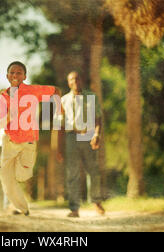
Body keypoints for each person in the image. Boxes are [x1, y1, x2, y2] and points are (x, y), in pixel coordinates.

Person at [0, 61, 61, 216]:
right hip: (10, 142)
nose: (15, 75)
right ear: (7, 76)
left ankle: (15, 178)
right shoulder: (3, 97)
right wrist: (11, 114)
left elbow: (56, 90)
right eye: (12, 73)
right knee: (7, 181)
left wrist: (58, 110)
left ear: (24, 76)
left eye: (19, 73)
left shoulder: (32, 90)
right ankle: (22, 208)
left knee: (22, 175)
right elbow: (0, 122)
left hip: (28, 142)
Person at [56, 71, 105, 218]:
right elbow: (60, 126)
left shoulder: (91, 97)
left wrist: (97, 135)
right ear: (68, 83)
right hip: (71, 137)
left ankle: (96, 202)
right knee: (73, 173)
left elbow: (98, 118)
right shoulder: (63, 100)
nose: (75, 81)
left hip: (88, 135)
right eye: (71, 79)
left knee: (93, 171)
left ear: (81, 80)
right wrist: (59, 148)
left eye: (77, 78)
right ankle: (74, 208)